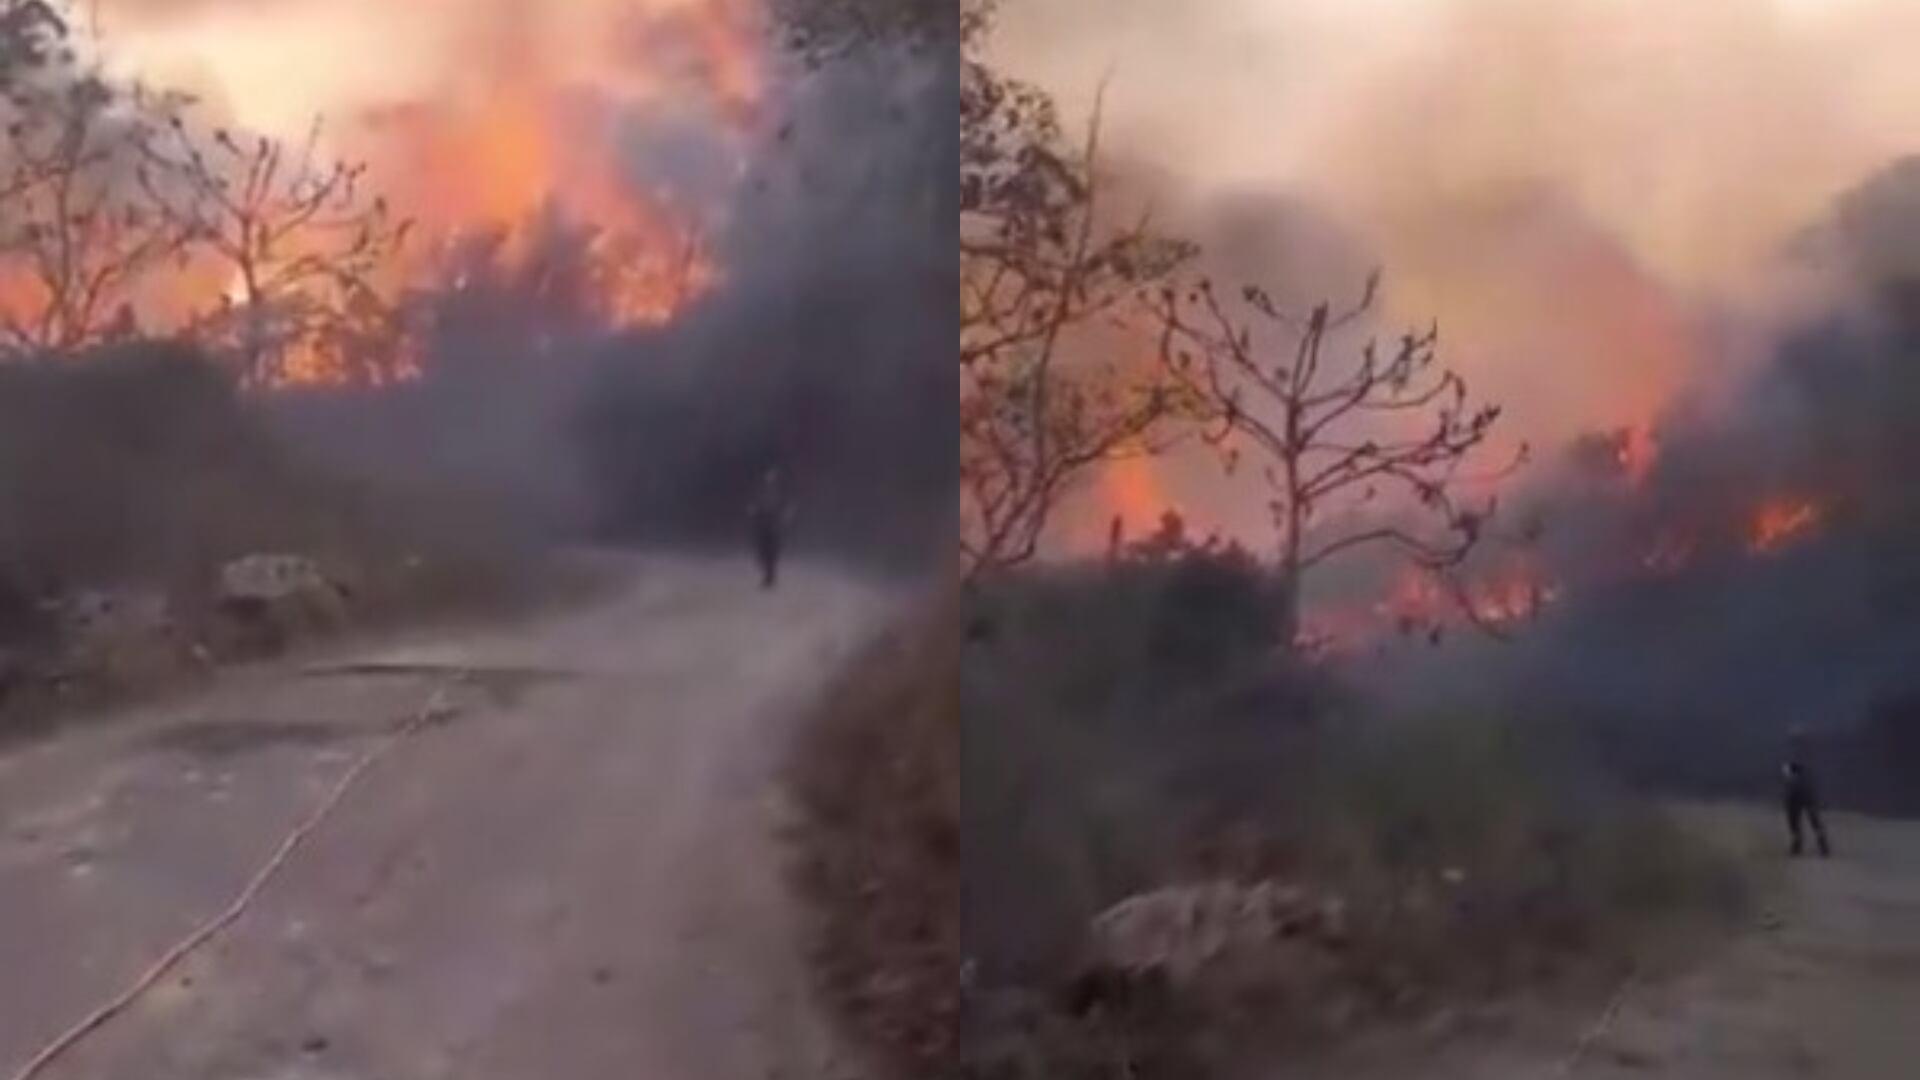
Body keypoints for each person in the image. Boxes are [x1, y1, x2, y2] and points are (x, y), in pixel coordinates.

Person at [1782, 727, 1832, 858]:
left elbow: (1790, 773)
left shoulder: (1797, 754)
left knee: (1800, 819)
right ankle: (1817, 843)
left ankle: (1804, 844)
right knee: (1806, 819)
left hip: (1801, 791)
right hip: (1804, 791)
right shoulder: (1802, 754)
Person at [746, 468, 794, 590]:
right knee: (763, 550)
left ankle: (770, 578)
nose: (769, 483)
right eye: (768, 480)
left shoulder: (781, 494)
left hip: (773, 526)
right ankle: (767, 574)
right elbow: (754, 507)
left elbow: (787, 508)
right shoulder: (760, 493)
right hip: (763, 525)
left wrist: (785, 517)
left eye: (772, 480)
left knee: (771, 553)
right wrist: (753, 512)